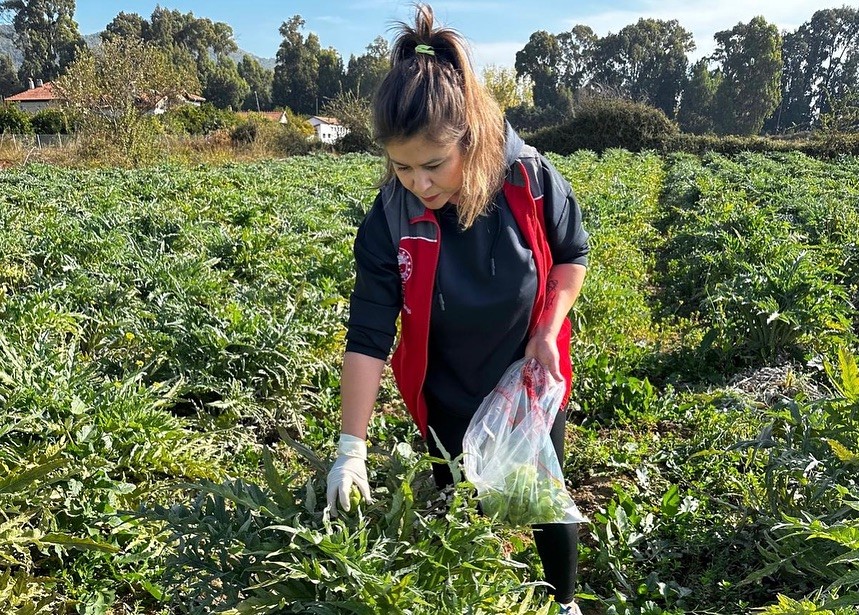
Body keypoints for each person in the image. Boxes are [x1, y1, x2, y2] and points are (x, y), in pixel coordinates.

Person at [325, 4, 589, 613]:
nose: (418, 181)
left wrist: (548, 329)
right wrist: (351, 450)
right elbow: (367, 335)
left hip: (526, 374)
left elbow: (572, 255)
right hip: (442, 382)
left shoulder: (530, 179)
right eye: (401, 166)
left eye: (434, 163)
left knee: (542, 490)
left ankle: (566, 603)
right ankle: (466, 589)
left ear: (469, 133)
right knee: (455, 500)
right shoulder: (391, 216)